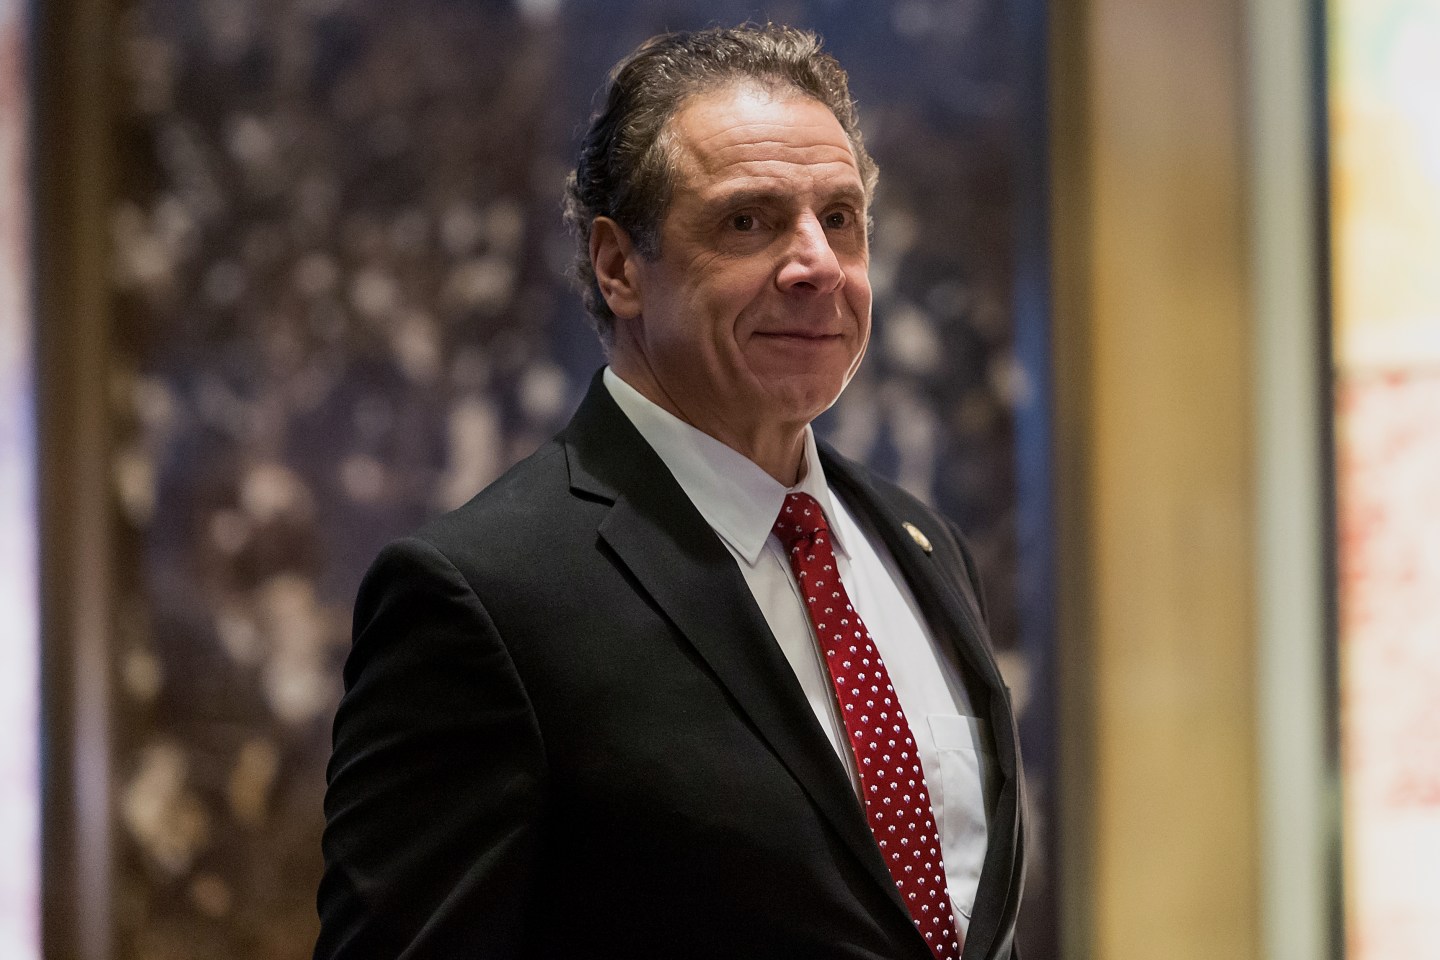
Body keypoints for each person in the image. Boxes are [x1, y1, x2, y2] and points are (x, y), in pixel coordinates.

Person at [315, 23, 1025, 960]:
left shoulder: (920, 544)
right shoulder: (482, 597)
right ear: (619, 267)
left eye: (840, 218)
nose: (817, 264)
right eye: (749, 220)